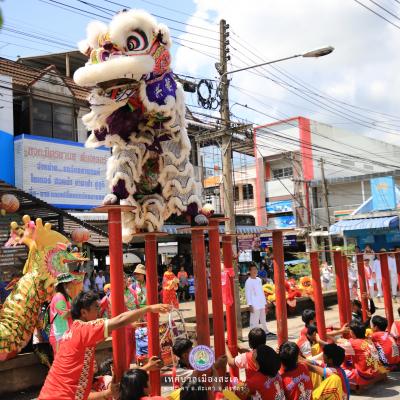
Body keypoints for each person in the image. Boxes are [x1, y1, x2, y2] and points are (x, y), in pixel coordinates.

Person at [38, 290, 169, 400]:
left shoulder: (70, 332)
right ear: (83, 312)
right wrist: (148, 309)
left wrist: (107, 393)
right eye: (96, 307)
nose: (99, 311)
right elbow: (119, 320)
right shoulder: (84, 329)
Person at [339, 320, 386, 387]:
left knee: (336, 370)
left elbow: (332, 344)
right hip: (376, 371)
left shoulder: (352, 343)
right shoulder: (369, 340)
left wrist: (340, 331)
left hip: (364, 376)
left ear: (352, 332)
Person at [49, 273, 76, 355]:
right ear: (64, 284)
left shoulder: (65, 296)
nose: (73, 283)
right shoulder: (59, 296)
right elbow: (64, 315)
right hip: (59, 335)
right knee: (62, 361)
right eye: (70, 282)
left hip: (65, 334)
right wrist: (78, 310)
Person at [245, 264, 275, 337]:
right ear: (250, 271)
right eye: (253, 269)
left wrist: (265, 302)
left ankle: (266, 331)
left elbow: (261, 291)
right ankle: (253, 334)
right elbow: (247, 294)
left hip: (261, 302)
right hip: (254, 303)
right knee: (254, 320)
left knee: (263, 318)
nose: (255, 271)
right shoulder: (248, 281)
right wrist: (250, 305)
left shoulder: (258, 279)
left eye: (256, 269)